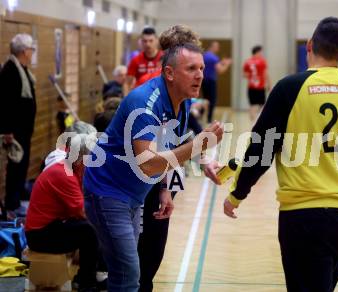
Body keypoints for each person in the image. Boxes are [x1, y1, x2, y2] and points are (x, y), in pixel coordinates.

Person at [223, 17, 338, 291]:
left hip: (304, 217)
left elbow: (260, 150)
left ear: (309, 45)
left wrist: (236, 194)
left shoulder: (290, 88)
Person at [83, 25, 223, 291]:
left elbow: (167, 148)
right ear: (169, 73)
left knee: (129, 274)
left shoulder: (183, 101)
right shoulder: (145, 104)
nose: (200, 76)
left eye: (202, 69)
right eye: (192, 69)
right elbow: (147, 162)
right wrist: (197, 146)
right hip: (107, 191)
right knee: (128, 275)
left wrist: (165, 188)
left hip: (133, 193)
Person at [25, 121, 101, 292]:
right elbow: (82, 212)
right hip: (40, 236)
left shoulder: (70, 169)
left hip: (50, 226)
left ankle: (87, 276)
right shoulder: (64, 174)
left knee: (90, 228)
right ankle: (87, 283)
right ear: (81, 159)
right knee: (90, 231)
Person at [0, 34, 37, 218]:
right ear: (24, 51)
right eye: (31, 49)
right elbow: (5, 103)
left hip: (23, 130)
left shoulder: (22, 69)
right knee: (15, 167)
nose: (32, 53)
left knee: (22, 166)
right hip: (14, 131)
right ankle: (12, 204)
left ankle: (18, 198)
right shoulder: (10, 70)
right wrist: (7, 131)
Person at [202, 41, 232, 122]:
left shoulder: (204, 55)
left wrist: (222, 62)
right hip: (211, 81)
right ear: (213, 47)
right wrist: (227, 64)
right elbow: (220, 70)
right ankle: (209, 119)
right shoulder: (214, 58)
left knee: (205, 99)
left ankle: (200, 116)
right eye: (217, 47)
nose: (218, 49)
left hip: (203, 81)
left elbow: (211, 65)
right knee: (212, 100)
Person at [243, 45, 271, 120]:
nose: (261, 54)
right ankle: (258, 122)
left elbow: (244, 75)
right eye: (261, 52)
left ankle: (252, 123)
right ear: (258, 52)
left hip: (251, 87)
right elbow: (266, 74)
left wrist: (252, 75)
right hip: (260, 87)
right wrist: (269, 85)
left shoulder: (247, 62)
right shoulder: (262, 61)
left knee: (252, 106)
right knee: (262, 106)